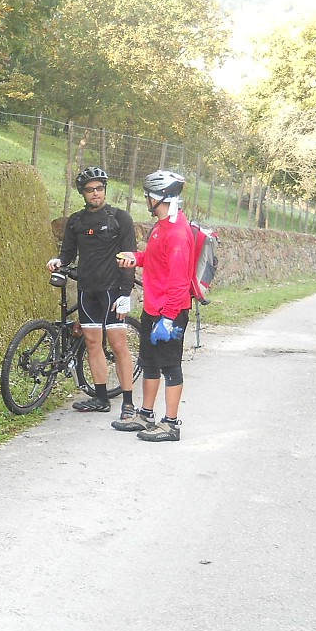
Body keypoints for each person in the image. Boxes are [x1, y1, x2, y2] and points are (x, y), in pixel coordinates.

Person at [47, 166, 137, 417]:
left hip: (113, 290)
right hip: (88, 290)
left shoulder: (121, 218)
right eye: (89, 190)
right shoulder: (76, 221)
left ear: (105, 190)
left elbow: (129, 257)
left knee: (119, 345)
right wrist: (58, 261)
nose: (95, 193)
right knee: (92, 343)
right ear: (83, 193)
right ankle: (100, 398)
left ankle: (128, 402)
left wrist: (125, 294)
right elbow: (68, 253)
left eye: (99, 188)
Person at [114, 170, 195, 442]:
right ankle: (146, 414)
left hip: (169, 310)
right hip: (153, 307)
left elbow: (180, 280)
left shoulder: (178, 234)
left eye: (148, 195)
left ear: (160, 197)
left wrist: (170, 318)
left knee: (170, 366)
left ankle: (171, 424)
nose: (146, 199)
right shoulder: (162, 226)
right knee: (149, 363)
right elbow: (155, 258)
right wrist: (135, 258)